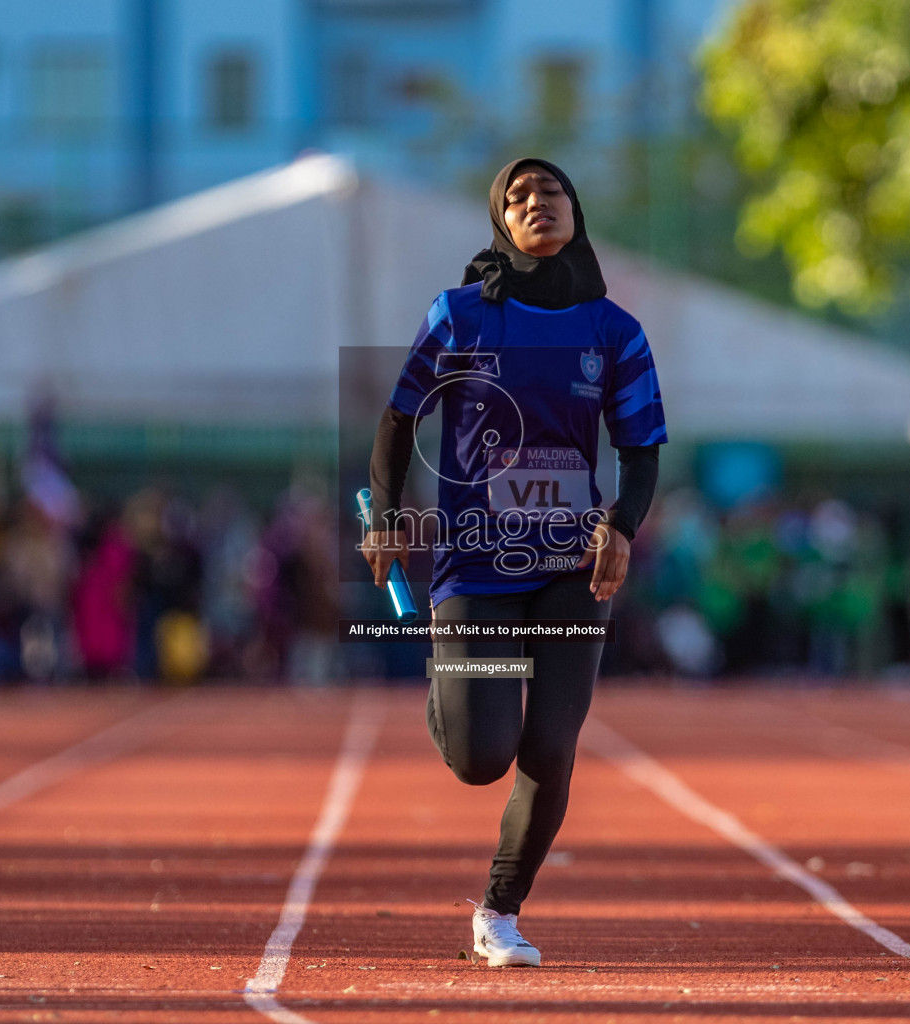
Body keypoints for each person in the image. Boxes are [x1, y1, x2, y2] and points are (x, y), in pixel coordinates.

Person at [364, 157, 666, 967]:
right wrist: (389, 517)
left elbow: (639, 453)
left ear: (576, 211)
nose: (538, 204)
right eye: (518, 197)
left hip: (571, 566)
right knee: (482, 759)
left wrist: (621, 526)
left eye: (552, 192)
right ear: (501, 222)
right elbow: (399, 421)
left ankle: (500, 912)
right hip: (476, 567)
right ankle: (449, 687)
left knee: (552, 748)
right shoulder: (461, 315)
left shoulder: (615, 331)